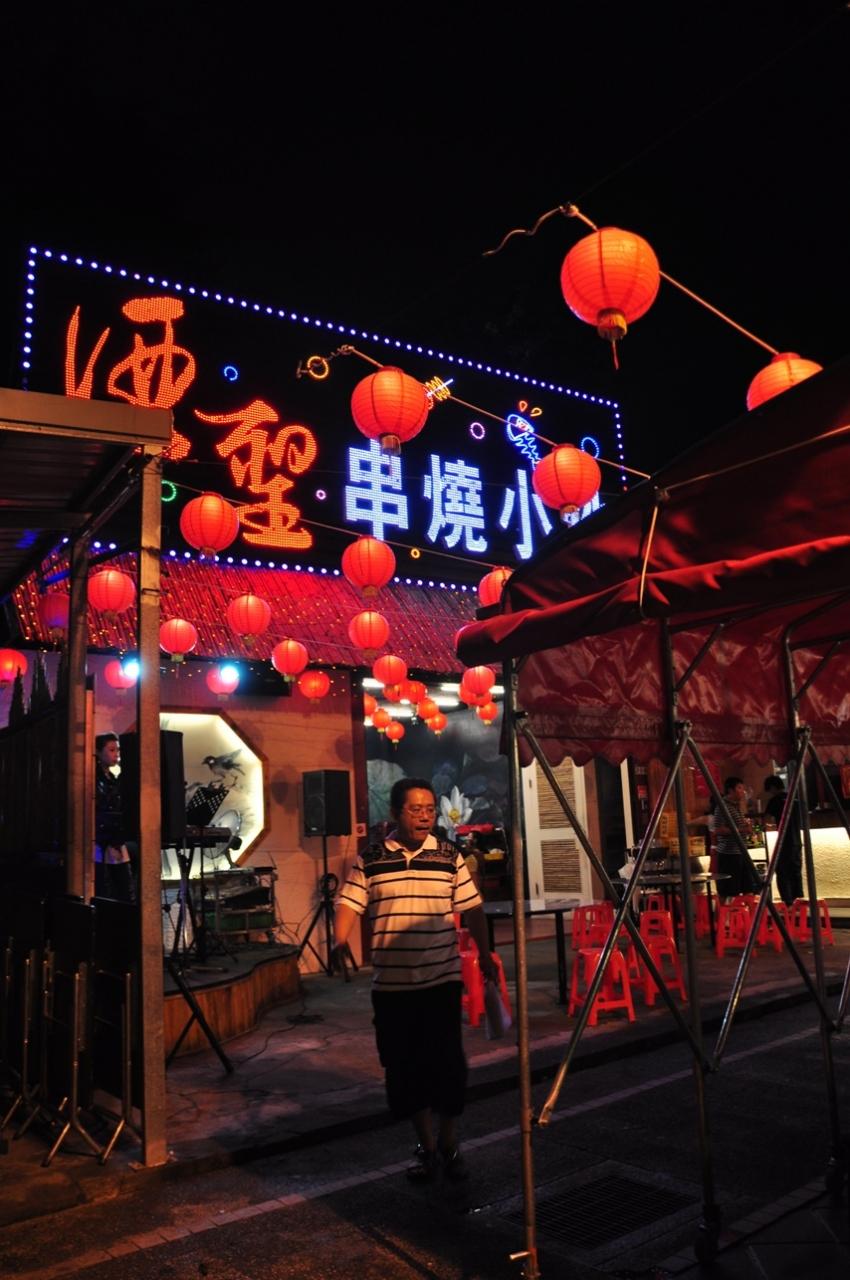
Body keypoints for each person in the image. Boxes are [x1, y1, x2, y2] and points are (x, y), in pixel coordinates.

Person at [332, 777, 497, 1183]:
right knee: (404, 1071)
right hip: (392, 988)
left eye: (429, 810)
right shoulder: (372, 858)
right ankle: (427, 1147)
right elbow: (349, 902)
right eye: (415, 809)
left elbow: (473, 909)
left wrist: (485, 953)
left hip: (441, 980)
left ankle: (449, 1143)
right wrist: (339, 940)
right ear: (394, 813)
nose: (424, 817)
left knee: (449, 1066)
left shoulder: (449, 856)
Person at [93, 732, 135, 903]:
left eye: (117, 750)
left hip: (115, 836)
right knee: (106, 886)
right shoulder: (94, 778)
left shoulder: (113, 778)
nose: (116, 754)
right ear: (98, 752)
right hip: (101, 837)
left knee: (125, 884)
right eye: (111, 750)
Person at [709, 776, 760, 900]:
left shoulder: (736, 806)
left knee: (748, 888)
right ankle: (725, 912)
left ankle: (746, 911)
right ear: (730, 790)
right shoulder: (722, 807)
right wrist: (741, 829)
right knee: (729, 891)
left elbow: (738, 828)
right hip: (729, 854)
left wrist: (747, 828)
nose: (743, 791)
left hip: (741, 852)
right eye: (739, 788)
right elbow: (718, 830)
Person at [764, 774, 803, 907]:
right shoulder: (794, 799)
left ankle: (788, 903)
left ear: (773, 787)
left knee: (782, 871)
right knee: (795, 871)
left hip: (784, 842)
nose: (770, 793)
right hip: (797, 840)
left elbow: (767, 820)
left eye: (769, 790)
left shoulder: (775, 800)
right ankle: (799, 900)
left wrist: (770, 825)